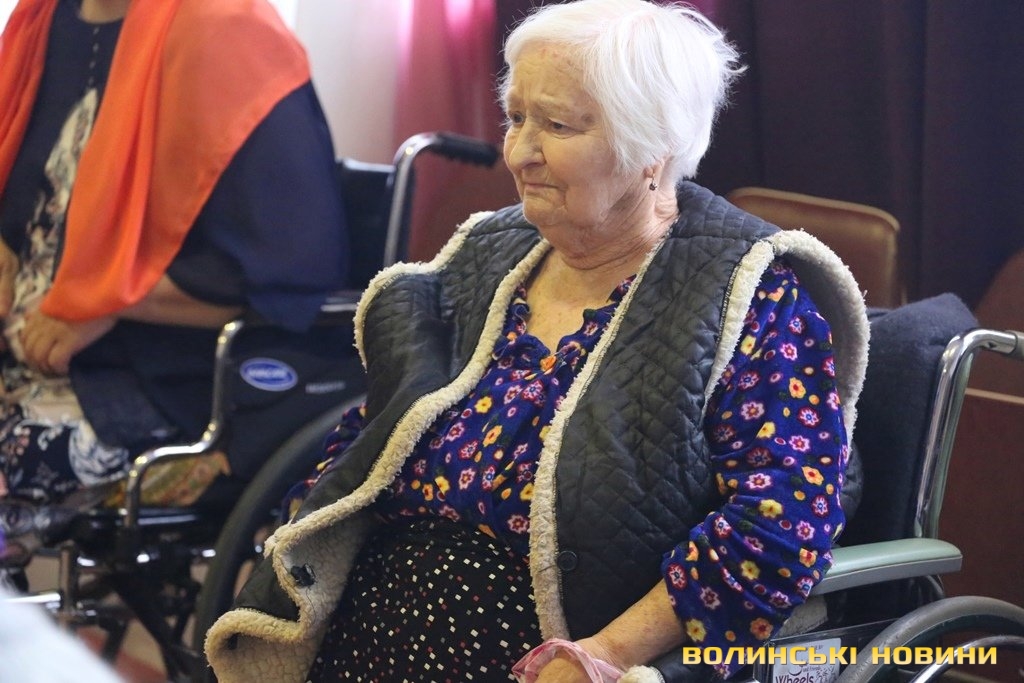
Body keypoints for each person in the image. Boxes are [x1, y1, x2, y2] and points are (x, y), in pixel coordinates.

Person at [205, 0, 868, 681]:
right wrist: (302, 539)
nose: (520, 152)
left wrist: (602, 655)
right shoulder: (482, 258)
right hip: (360, 639)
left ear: (654, 147)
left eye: (557, 125)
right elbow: (379, 432)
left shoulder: (748, 295)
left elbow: (780, 522)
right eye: (516, 117)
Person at [0, 0, 348, 565]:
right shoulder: (44, 21)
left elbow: (289, 269)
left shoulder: (228, 32)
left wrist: (108, 299)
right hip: (29, 361)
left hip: (164, 381)